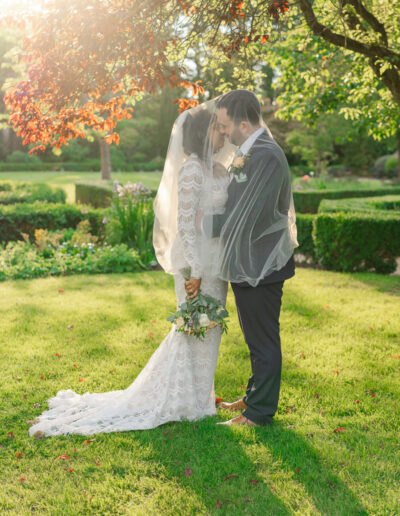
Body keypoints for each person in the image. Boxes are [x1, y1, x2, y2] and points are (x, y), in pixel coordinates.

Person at [28, 101, 231, 437]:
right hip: (197, 263)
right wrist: (195, 269)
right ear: (201, 133)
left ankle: (199, 397)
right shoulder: (193, 168)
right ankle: (185, 401)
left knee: (209, 329)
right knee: (194, 327)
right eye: (217, 127)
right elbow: (185, 223)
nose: (223, 132)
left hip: (216, 263)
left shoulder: (216, 168)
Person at [198, 89, 298, 427]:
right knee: (256, 337)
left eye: (225, 126)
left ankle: (258, 414)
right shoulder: (251, 151)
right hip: (251, 262)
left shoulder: (265, 155)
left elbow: (248, 213)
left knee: (263, 339)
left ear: (243, 123)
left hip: (261, 263)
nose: (223, 132)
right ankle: (254, 395)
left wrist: (202, 222)